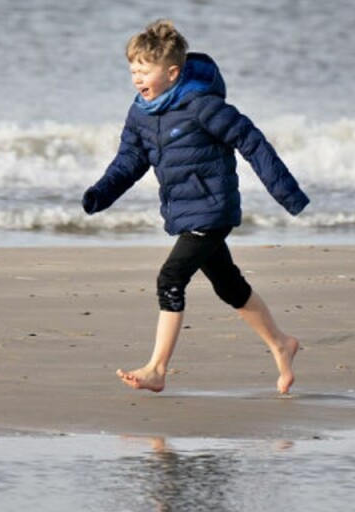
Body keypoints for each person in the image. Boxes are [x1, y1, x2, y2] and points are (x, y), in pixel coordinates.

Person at [82, 19, 309, 394]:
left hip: (212, 208)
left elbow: (251, 141)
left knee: (170, 278)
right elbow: (129, 160)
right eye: (132, 70)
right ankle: (282, 345)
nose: (137, 79)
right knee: (228, 284)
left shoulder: (201, 105)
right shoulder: (140, 112)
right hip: (184, 211)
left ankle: (156, 368)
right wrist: (101, 193)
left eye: (145, 71)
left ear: (172, 72)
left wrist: (288, 194)